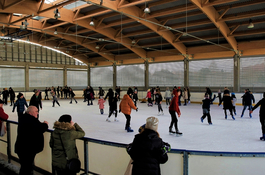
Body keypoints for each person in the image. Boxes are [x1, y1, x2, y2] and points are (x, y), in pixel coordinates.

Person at [15, 106, 48, 175]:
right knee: (26, 168)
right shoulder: (30, 120)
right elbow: (39, 128)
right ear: (30, 113)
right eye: (36, 111)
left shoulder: (25, 118)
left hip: (23, 148)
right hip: (27, 149)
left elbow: (35, 126)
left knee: (25, 167)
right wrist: (45, 124)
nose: (37, 113)